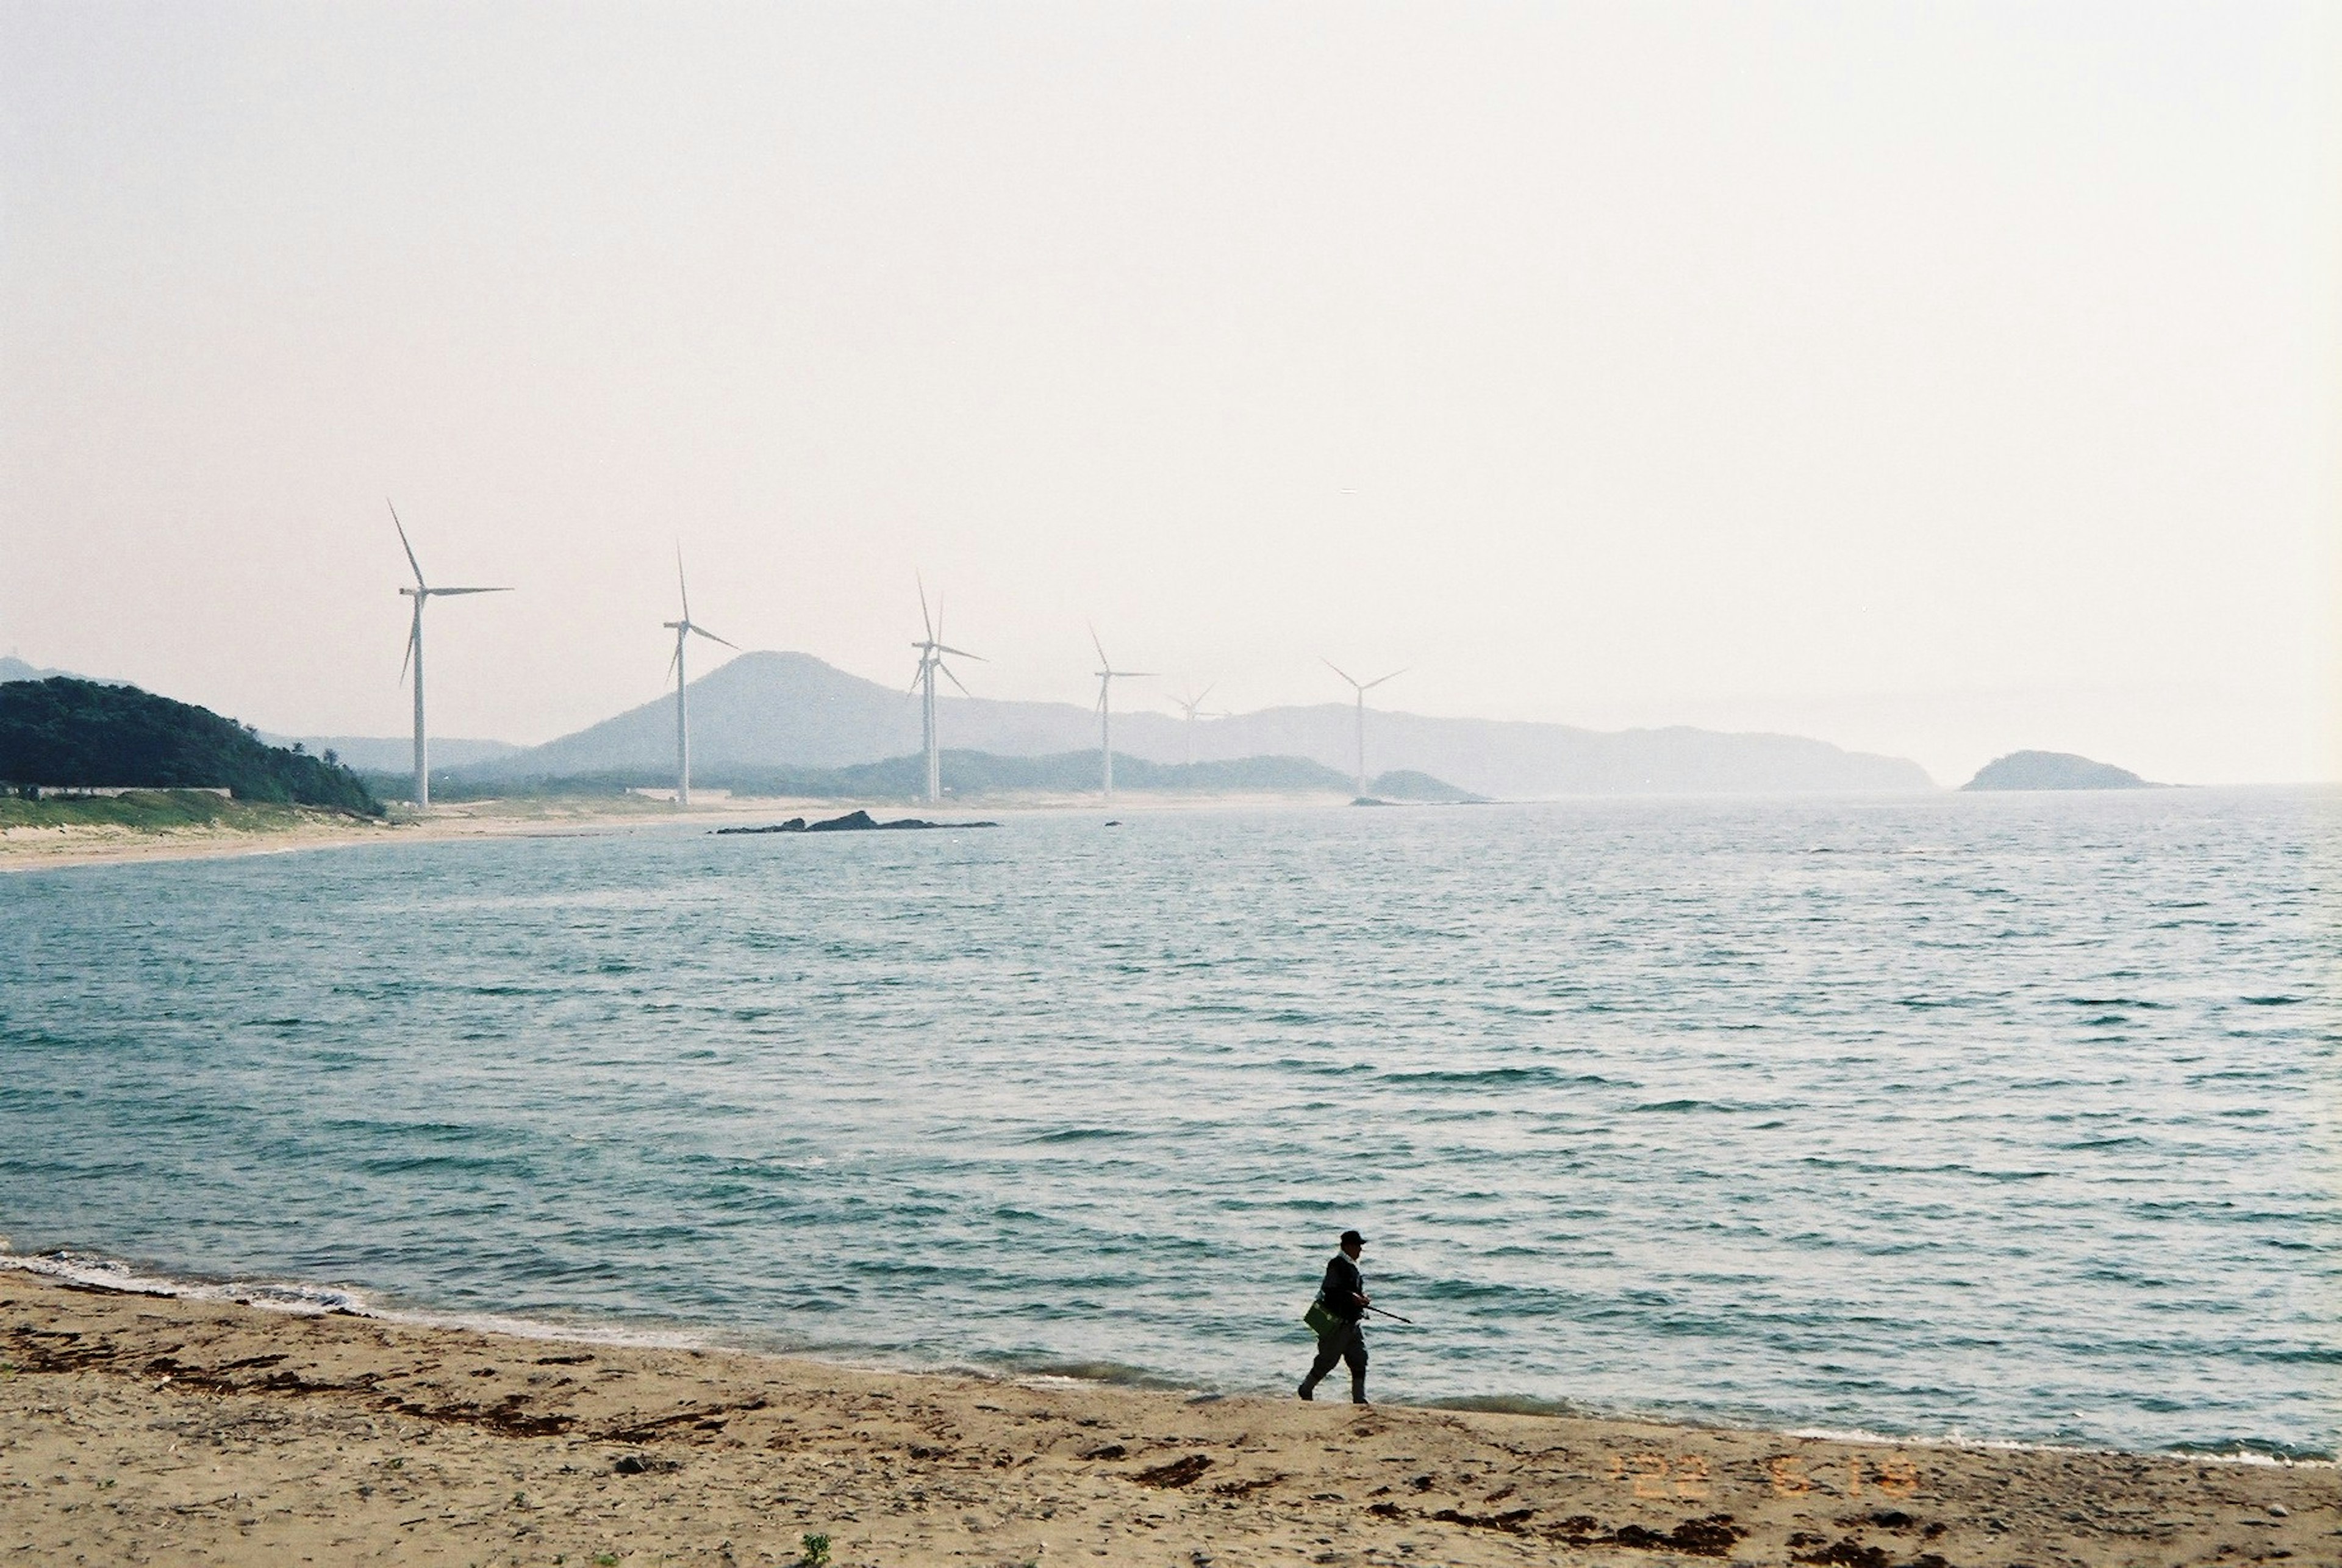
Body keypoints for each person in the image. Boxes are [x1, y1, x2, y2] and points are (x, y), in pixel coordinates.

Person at [1298, 1229, 1371, 1404]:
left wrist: (1361, 1299)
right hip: (1338, 1325)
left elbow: (1348, 1291)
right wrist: (1352, 1298)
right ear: (1347, 1247)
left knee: (1360, 1359)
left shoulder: (1351, 1265)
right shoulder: (1337, 1264)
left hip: (1353, 1324)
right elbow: (1330, 1291)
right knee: (1327, 1361)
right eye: (1357, 1247)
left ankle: (1359, 1399)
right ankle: (1306, 1389)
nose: (1360, 1251)